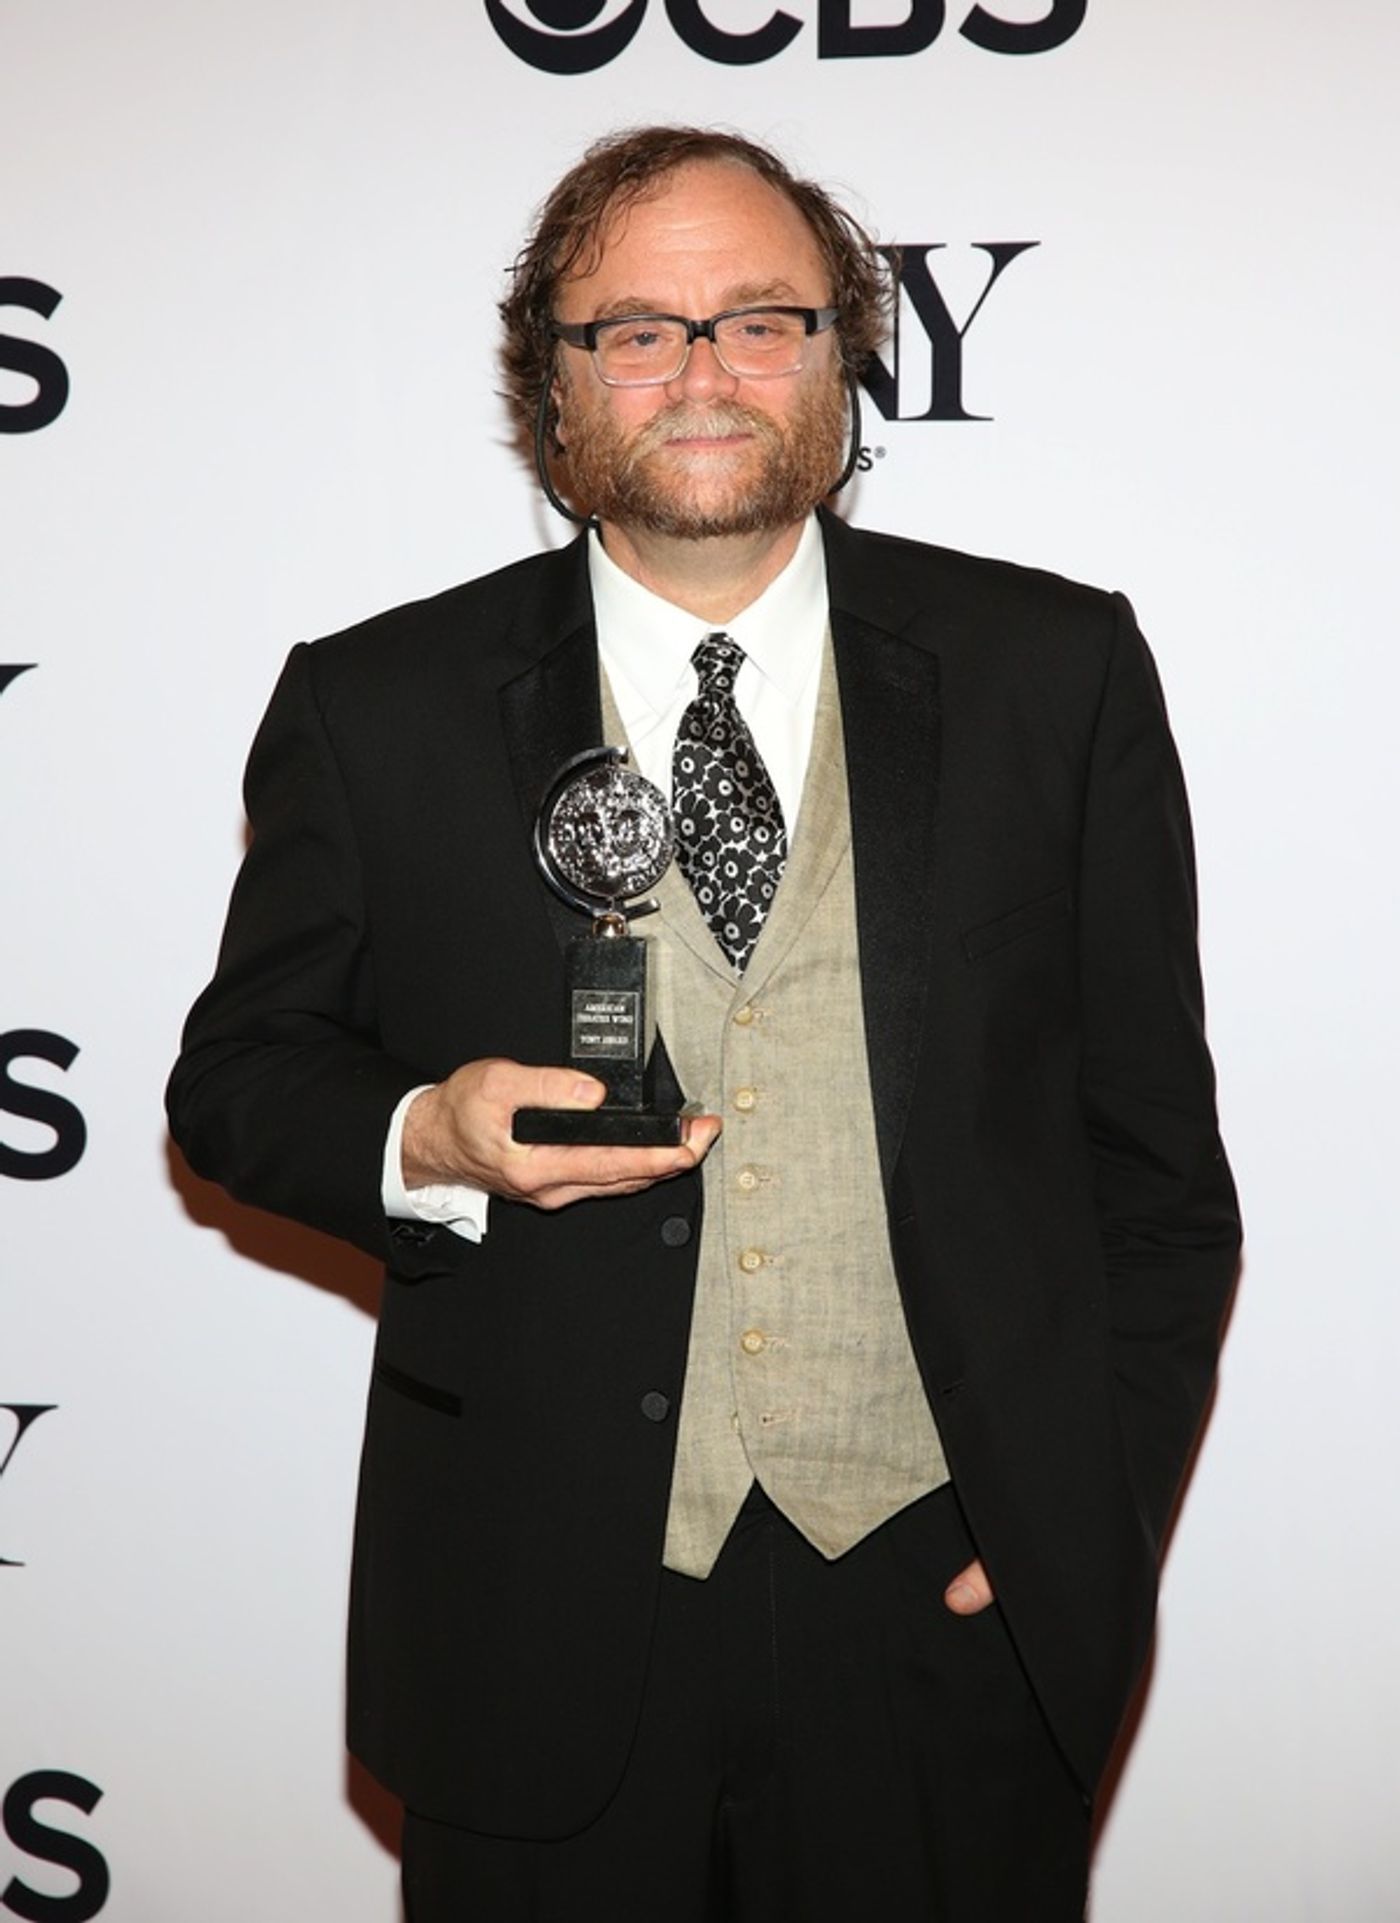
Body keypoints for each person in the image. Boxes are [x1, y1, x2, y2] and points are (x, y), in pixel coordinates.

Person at [167, 125, 1240, 1921]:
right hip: (533, 1607)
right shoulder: (378, 705)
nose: (706, 372)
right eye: (638, 331)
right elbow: (240, 1082)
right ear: (554, 388)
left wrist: (1075, 1516)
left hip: (939, 1609)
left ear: (843, 354)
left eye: (762, 319)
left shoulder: (1058, 677)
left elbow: (1156, 1171)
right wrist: (421, 1135)